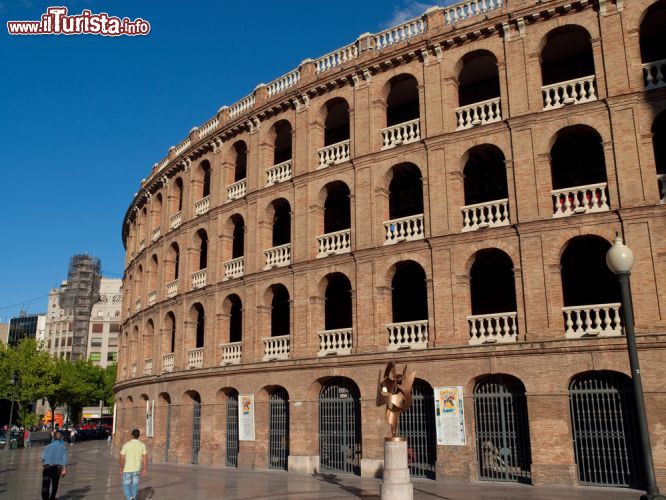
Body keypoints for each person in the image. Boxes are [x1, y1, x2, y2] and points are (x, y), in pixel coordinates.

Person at [120, 429, 147, 500]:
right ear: (138, 436)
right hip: (137, 469)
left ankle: (129, 497)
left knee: (126, 485)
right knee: (135, 485)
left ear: (131, 435)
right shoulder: (142, 445)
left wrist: (121, 467)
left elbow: (122, 457)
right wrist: (145, 469)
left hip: (127, 469)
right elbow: (145, 458)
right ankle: (133, 498)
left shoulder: (126, 445)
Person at [41, 430, 67, 500]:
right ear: (61, 438)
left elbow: (43, 458)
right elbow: (64, 459)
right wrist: (64, 469)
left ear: (54, 437)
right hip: (57, 468)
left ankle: (45, 498)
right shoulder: (63, 447)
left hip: (47, 467)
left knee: (45, 485)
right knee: (55, 484)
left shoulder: (48, 446)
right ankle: (52, 497)